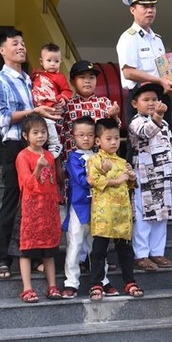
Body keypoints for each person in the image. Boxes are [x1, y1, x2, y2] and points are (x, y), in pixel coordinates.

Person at [0, 28, 60, 280]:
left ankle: (36, 257)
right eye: (15, 43)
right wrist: (33, 111)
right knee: (12, 201)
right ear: (2, 50)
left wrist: (48, 109)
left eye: (23, 43)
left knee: (38, 203)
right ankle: (2, 259)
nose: (21, 47)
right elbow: (2, 118)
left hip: (37, 146)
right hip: (16, 146)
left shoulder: (29, 79)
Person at [86, 118, 143, 300]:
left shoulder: (121, 162)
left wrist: (132, 178)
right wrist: (113, 178)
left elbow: (129, 187)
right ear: (98, 141)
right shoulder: (94, 160)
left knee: (125, 251)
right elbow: (93, 180)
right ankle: (96, 284)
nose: (113, 142)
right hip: (103, 215)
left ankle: (129, 281)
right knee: (99, 252)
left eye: (116, 139)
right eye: (108, 138)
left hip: (122, 215)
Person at [61, 116, 115, 299]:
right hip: (79, 207)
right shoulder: (73, 159)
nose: (85, 139)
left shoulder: (102, 157)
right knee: (75, 244)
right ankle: (71, 282)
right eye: (81, 135)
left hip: (99, 207)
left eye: (90, 135)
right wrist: (103, 174)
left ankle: (102, 279)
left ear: (96, 137)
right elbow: (84, 181)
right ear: (73, 137)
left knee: (98, 246)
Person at [128, 82, 172, 271]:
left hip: (164, 174)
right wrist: (157, 115)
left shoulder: (164, 123)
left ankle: (157, 251)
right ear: (135, 103)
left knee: (162, 214)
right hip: (145, 175)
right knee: (144, 215)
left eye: (155, 99)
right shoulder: (136, 122)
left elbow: (170, 146)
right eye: (146, 100)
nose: (151, 103)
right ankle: (141, 254)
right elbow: (147, 132)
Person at [15, 114, 63, 303]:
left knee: (49, 249)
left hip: (48, 208)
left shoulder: (49, 155)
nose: (40, 136)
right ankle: (27, 288)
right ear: (26, 136)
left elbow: (51, 182)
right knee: (26, 249)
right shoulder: (23, 156)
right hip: (31, 208)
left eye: (43, 132)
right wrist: (37, 168)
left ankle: (52, 286)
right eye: (35, 133)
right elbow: (26, 183)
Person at [116, 0, 172, 124]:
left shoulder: (157, 39)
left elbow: (165, 71)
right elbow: (128, 72)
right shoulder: (129, 38)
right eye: (144, 6)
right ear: (133, 10)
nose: (150, 10)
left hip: (160, 98)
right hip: (140, 98)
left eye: (152, 6)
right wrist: (160, 80)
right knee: (141, 144)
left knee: (164, 141)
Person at [61, 60, 120, 157]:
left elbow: (114, 130)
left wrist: (114, 116)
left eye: (91, 77)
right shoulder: (66, 105)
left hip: (102, 161)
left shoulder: (104, 102)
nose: (87, 81)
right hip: (75, 161)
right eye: (82, 77)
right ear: (72, 82)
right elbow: (59, 135)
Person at [31, 43, 72, 158]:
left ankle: (55, 144)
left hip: (50, 108)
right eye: (49, 60)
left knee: (48, 124)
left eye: (56, 61)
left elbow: (67, 90)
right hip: (37, 109)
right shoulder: (36, 75)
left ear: (60, 62)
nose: (52, 64)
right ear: (41, 61)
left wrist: (63, 98)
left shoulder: (60, 77)